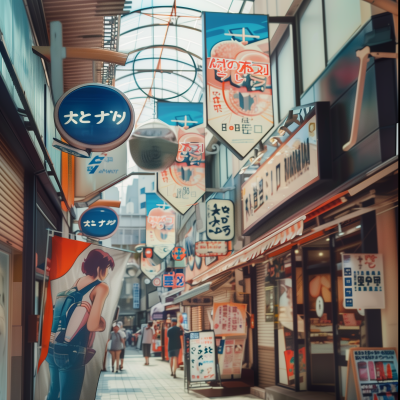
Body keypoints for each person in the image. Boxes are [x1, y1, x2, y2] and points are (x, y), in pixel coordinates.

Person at [46, 249, 114, 400]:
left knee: (53, 392)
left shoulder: (76, 283)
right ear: (100, 267)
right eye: (108, 267)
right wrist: (103, 324)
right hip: (72, 351)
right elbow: (92, 325)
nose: (108, 272)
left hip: (52, 347)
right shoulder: (101, 287)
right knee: (69, 397)